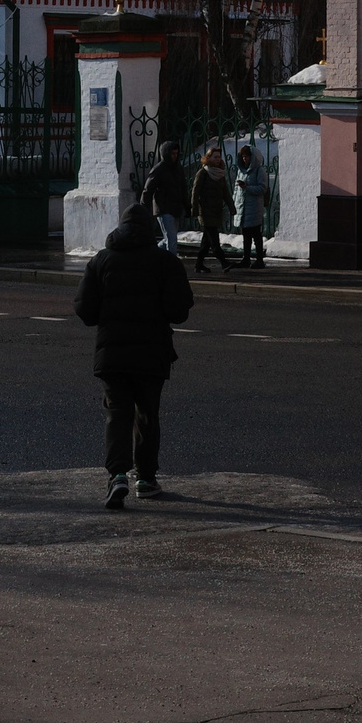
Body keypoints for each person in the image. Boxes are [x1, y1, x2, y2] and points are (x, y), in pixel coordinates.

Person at [73, 202, 193, 508]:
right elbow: (179, 310)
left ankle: (117, 475)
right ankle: (146, 479)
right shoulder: (165, 262)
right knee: (147, 414)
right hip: (152, 353)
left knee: (117, 413)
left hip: (111, 353)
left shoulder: (101, 261)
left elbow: (84, 310)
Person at [189, 144, 234, 273]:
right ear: (208, 158)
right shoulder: (203, 173)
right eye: (215, 157)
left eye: (219, 157)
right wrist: (194, 209)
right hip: (205, 212)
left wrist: (231, 207)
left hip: (216, 211)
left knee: (206, 241)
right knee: (214, 240)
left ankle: (199, 264)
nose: (218, 159)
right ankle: (224, 262)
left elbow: (225, 192)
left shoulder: (220, 173)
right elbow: (195, 192)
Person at [140, 140, 189, 257]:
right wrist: (143, 208)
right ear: (166, 154)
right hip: (163, 209)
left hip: (176, 208)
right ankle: (172, 263)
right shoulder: (159, 169)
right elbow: (148, 190)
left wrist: (187, 206)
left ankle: (152, 253)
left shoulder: (178, 169)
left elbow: (183, 189)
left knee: (170, 238)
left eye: (176, 153)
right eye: (172, 154)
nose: (175, 156)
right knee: (171, 238)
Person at [234, 142, 268, 269]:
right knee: (246, 235)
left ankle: (259, 260)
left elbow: (262, 188)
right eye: (243, 156)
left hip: (254, 208)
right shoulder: (241, 171)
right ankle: (246, 258)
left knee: (256, 235)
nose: (245, 159)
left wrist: (247, 187)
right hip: (243, 207)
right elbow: (236, 189)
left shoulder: (259, 170)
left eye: (247, 156)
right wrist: (235, 202)